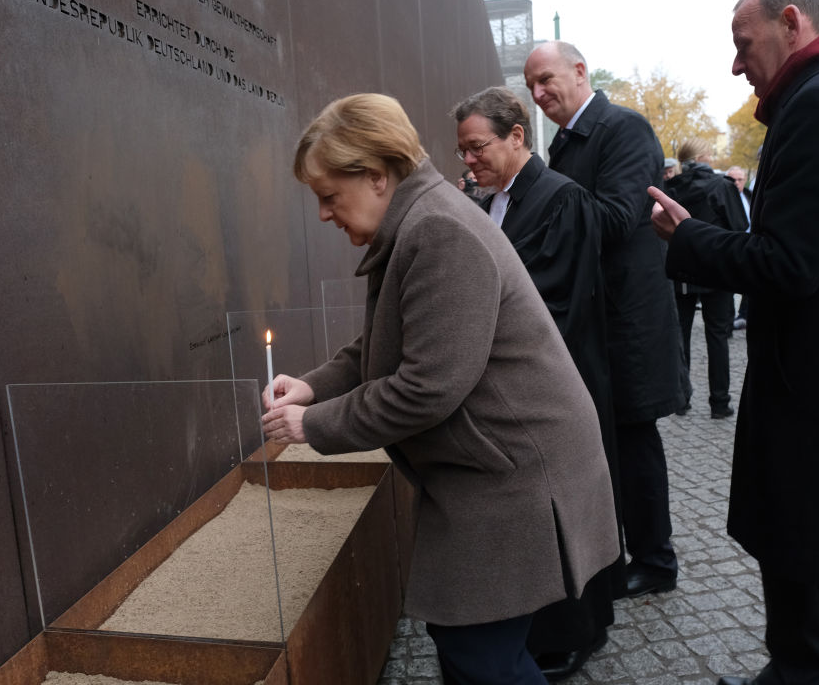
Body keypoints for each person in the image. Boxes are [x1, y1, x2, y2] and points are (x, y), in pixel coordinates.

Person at [262, 93, 620, 685]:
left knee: (481, 653)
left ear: (377, 176)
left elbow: (428, 386)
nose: (324, 214)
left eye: (329, 196)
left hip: (516, 479)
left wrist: (313, 425)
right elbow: (383, 343)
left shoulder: (436, 230)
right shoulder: (420, 219)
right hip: (495, 474)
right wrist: (310, 388)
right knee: (472, 647)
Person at [648, 0, 819, 682]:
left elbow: (792, 263)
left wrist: (690, 237)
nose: (736, 64)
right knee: (813, 565)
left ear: (792, 20)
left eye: (743, 40)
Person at [450, 85, 618, 681]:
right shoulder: (492, 200)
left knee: (564, 522)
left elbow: (553, 304)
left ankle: (576, 636)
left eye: (477, 148)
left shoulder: (561, 199)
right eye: (462, 152)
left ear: (517, 136)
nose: (468, 162)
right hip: (521, 395)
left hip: (551, 388)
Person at [524, 41, 685, 604]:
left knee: (635, 438)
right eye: (532, 87)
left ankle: (656, 561)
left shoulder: (624, 129)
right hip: (594, 318)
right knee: (610, 443)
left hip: (628, 320)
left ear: (579, 71)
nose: (539, 94)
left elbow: (617, 219)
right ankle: (620, 555)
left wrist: (537, 194)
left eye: (547, 80)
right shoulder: (568, 143)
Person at [665, 138, 749, 420]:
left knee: (682, 336)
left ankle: (682, 399)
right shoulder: (721, 186)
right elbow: (739, 225)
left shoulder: (672, 186)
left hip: (681, 269)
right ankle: (720, 402)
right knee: (717, 337)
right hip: (715, 269)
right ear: (703, 156)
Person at [726, 165, 752, 330]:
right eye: (732, 179)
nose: (736, 182)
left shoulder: (750, 195)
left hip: (750, 244)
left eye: (739, 179)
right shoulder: (722, 197)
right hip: (731, 244)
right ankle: (727, 321)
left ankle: (743, 314)